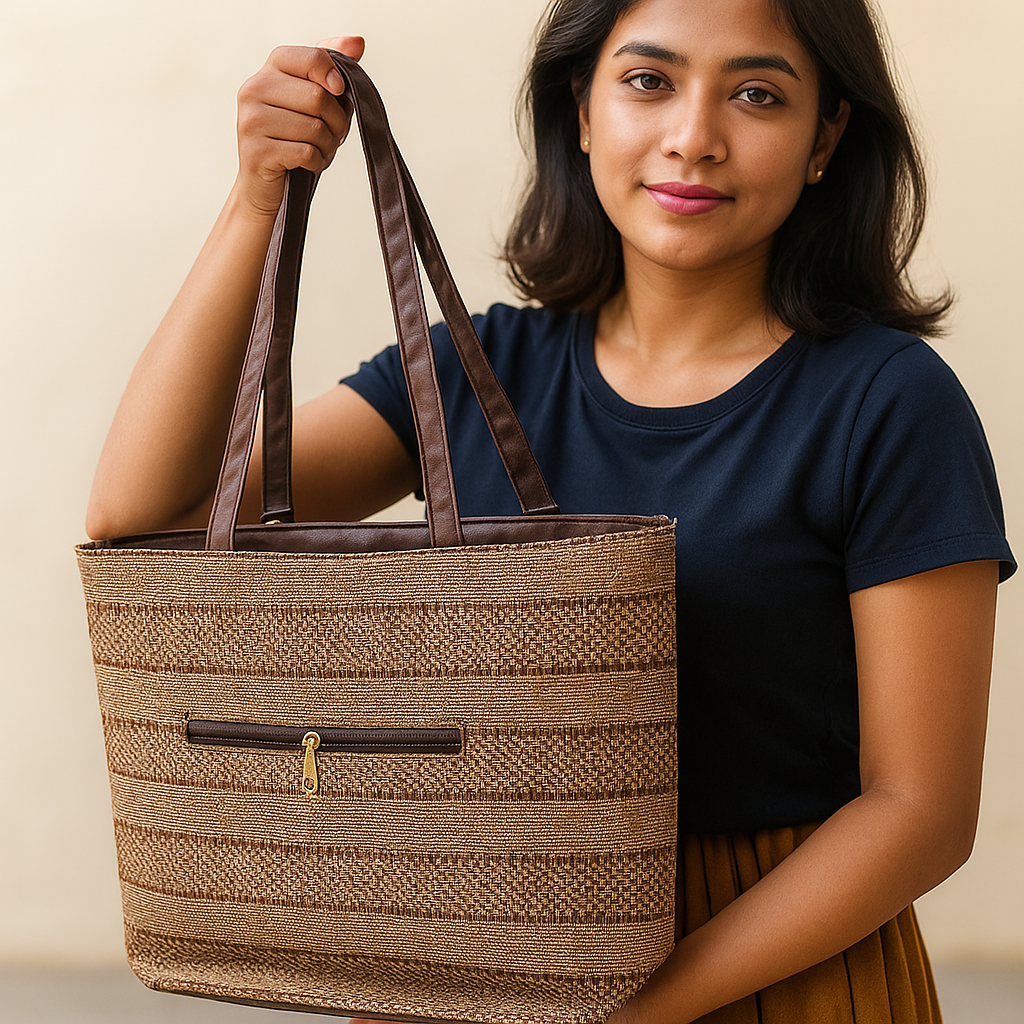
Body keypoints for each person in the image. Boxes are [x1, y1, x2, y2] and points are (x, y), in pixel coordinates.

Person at [86, 0, 1015, 1021]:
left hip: (770, 967)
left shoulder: (888, 403)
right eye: (648, 81)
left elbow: (918, 809)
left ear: (825, 138)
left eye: (756, 94)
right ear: (581, 108)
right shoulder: (470, 375)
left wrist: (628, 1008)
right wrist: (259, 197)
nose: (692, 136)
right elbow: (142, 510)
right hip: (472, 949)